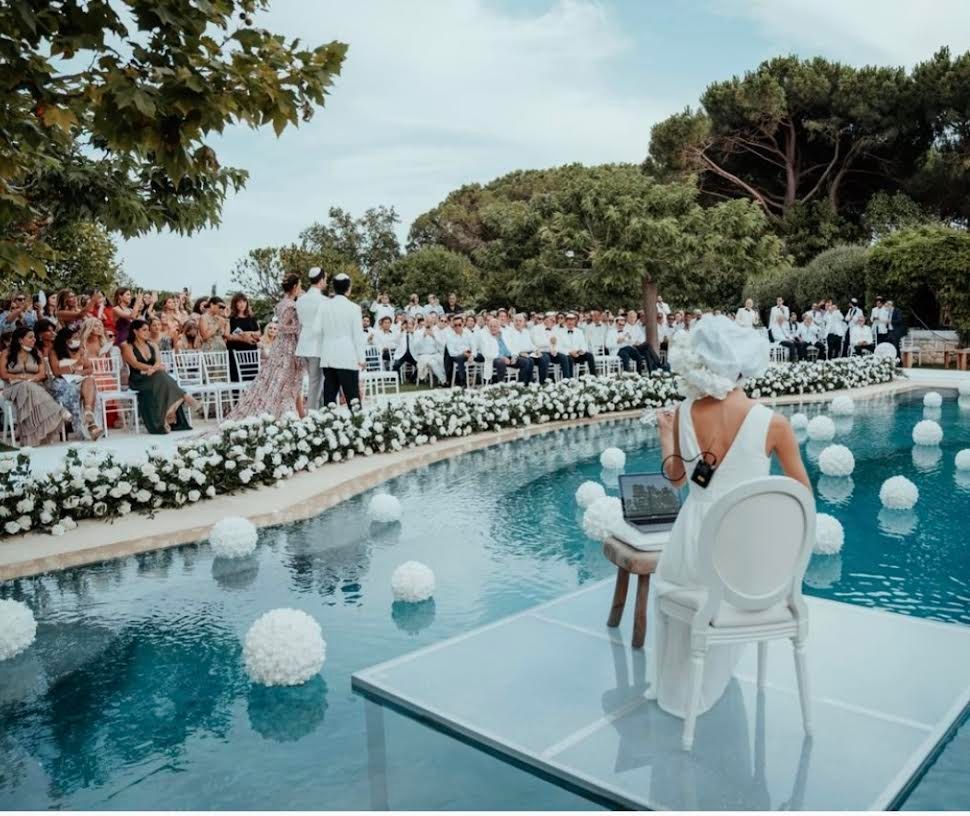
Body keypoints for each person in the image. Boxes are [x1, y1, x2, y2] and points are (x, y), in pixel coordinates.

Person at [651, 315, 810, 720]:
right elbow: (802, 499)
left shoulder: (685, 411)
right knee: (729, 592)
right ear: (744, 364)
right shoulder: (774, 423)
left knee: (675, 595)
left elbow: (676, 480)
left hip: (690, 547)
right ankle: (711, 678)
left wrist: (666, 435)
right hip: (747, 560)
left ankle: (678, 686)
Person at [226, 276, 305, 420]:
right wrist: (299, 327)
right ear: (294, 287)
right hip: (287, 346)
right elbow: (283, 327)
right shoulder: (289, 305)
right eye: (299, 285)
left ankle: (293, 412)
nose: (301, 288)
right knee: (285, 379)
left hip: (282, 344)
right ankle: (284, 413)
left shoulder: (283, 303)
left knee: (286, 380)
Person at [122, 319, 200, 433]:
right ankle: (184, 398)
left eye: (148, 330)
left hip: (154, 375)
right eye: (144, 330)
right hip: (138, 379)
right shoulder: (127, 346)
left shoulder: (153, 345)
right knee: (162, 375)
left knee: (160, 375)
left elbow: (158, 362)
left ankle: (168, 413)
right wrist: (152, 369)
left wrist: (153, 369)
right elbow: (135, 363)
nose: (148, 332)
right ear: (135, 331)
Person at [0, 327, 70, 445]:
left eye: (34, 337)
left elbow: (42, 373)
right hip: (12, 388)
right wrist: (22, 377)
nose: (34, 340)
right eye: (30, 337)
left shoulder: (36, 352)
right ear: (20, 340)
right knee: (26, 385)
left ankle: (32, 438)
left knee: (29, 387)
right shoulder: (8, 353)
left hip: (35, 386)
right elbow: (3, 374)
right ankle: (57, 411)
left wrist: (32, 378)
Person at [316, 273, 366, 407]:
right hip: (347, 355)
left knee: (330, 397)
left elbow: (317, 330)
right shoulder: (354, 308)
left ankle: (328, 425)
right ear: (348, 288)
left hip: (328, 355)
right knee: (353, 397)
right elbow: (358, 336)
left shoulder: (323, 306)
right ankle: (357, 424)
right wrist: (361, 358)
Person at [48, 325, 103, 440]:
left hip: (77, 379)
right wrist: (75, 366)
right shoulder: (54, 352)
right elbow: (56, 372)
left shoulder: (80, 350)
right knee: (79, 389)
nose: (76, 340)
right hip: (62, 382)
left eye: (77, 337)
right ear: (65, 339)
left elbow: (90, 368)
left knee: (90, 380)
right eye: (73, 338)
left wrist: (79, 373)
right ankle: (91, 426)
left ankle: (88, 412)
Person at [295, 267, 328, 409]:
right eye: (325, 279)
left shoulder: (301, 300)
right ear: (321, 280)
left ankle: (317, 412)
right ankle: (312, 416)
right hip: (317, 345)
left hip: (303, 345)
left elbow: (301, 322)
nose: (326, 282)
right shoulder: (324, 300)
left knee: (316, 381)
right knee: (316, 382)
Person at [227, 293, 261, 383]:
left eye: (244, 301)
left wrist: (248, 333)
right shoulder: (231, 319)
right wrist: (241, 336)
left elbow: (258, 332)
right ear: (235, 304)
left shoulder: (251, 317)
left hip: (250, 349)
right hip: (236, 350)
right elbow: (228, 335)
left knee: (252, 375)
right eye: (239, 302)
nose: (242, 304)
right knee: (237, 376)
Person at [530, 312, 568, 384]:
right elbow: (537, 343)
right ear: (545, 319)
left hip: (550, 352)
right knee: (545, 358)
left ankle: (566, 382)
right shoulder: (536, 328)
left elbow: (558, 343)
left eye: (554, 321)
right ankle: (543, 383)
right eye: (551, 320)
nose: (553, 322)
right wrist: (550, 343)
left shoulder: (554, 330)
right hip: (538, 352)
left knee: (564, 357)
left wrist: (555, 350)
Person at [556, 313, 597, 378]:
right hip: (568, 354)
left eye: (572, 321)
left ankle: (594, 377)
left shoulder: (579, 331)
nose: (570, 323)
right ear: (566, 322)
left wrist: (582, 350)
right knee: (569, 359)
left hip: (578, 354)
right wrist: (570, 352)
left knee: (590, 355)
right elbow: (558, 347)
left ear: (575, 322)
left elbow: (583, 344)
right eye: (569, 321)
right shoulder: (560, 332)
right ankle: (570, 380)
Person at [502, 313, 537, 383]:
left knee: (534, 360)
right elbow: (510, 347)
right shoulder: (509, 332)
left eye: (520, 321)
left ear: (524, 322)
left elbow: (530, 344)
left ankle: (529, 382)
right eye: (516, 321)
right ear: (513, 322)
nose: (518, 322)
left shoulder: (526, 332)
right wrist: (520, 353)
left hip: (524, 353)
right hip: (512, 355)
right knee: (527, 361)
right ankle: (521, 383)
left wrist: (536, 350)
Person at [444, 314, 475, 386]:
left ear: (463, 324)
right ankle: (463, 381)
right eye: (455, 325)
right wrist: (462, 353)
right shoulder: (450, 336)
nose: (457, 327)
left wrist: (472, 355)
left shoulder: (468, 333)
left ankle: (486, 380)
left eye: (459, 324)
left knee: (481, 355)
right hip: (456, 356)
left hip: (468, 353)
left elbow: (473, 346)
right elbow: (451, 353)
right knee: (460, 358)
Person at [412, 319, 445, 384]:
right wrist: (423, 336)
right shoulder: (418, 332)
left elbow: (441, 345)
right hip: (424, 355)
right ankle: (443, 381)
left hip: (435, 354)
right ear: (425, 323)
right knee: (433, 363)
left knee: (443, 361)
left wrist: (434, 336)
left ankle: (444, 379)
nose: (429, 324)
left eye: (431, 322)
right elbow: (415, 346)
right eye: (427, 322)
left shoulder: (436, 332)